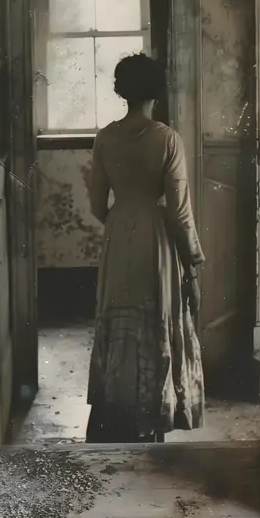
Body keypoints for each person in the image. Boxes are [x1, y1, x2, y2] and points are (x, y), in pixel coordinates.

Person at [86, 52, 205, 443]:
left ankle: (117, 414)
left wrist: (124, 222)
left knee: (121, 322)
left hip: (120, 234)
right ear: (158, 90)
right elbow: (181, 213)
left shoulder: (105, 137)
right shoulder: (167, 139)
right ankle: (151, 416)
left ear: (122, 90)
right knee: (154, 321)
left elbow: (96, 205)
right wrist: (193, 264)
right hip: (156, 240)